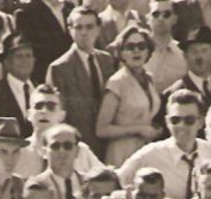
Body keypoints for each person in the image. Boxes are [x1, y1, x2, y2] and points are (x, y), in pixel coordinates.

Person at [47, 5, 116, 156]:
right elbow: (58, 117)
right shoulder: (59, 68)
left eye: (89, 27)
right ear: (70, 29)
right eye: (78, 27)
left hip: (109, 144)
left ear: (98, 29)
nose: (84, 32)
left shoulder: (107, 60)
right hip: (79, 147)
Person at [95, 24, 161, 167]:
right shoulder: (117, 82)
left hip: (146, 150)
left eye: (141, 46)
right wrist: (138, 129)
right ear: (121, 52)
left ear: (148, 51)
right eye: (130, 47)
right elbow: (101, 129)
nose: (136, 51)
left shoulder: (149, 79)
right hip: (122, 152)